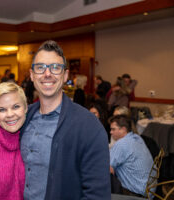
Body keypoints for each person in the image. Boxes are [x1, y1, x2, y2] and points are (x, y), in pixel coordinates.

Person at [20, 40, 110, 200]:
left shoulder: (88, 126)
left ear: (65, 75)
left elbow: (97, 195)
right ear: (32, 75)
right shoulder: (23, 117)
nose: (47, 74)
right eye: (40, 67)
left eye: (55, 67)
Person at [109, 115, 153, 197]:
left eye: (113, 129)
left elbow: (108, 168)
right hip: (149, 189)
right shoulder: (136, 137)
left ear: (123, 129)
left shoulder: (121, 144)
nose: (110, 132)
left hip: (136, 192)